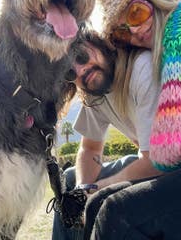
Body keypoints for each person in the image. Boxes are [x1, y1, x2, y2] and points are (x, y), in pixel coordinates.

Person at [82, 0, 181, 239]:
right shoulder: (164, 53)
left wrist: (102, 183)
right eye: (120, 34)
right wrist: (89, 186)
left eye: (136, 14)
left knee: (114, 210)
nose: (134, 32)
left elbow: (166, 155)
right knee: (94, 203)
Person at [51, 29, 162, 240]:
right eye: (70, 73)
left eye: (81, 56)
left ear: (98, 43)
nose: (81, 70)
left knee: (110, 204)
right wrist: (84, 189)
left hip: (177, 170)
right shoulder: (94, 95)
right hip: (147, 162)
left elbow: (160, 160)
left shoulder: (140, 69)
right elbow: (89, 149)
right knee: (71, 181)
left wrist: (102, 186)